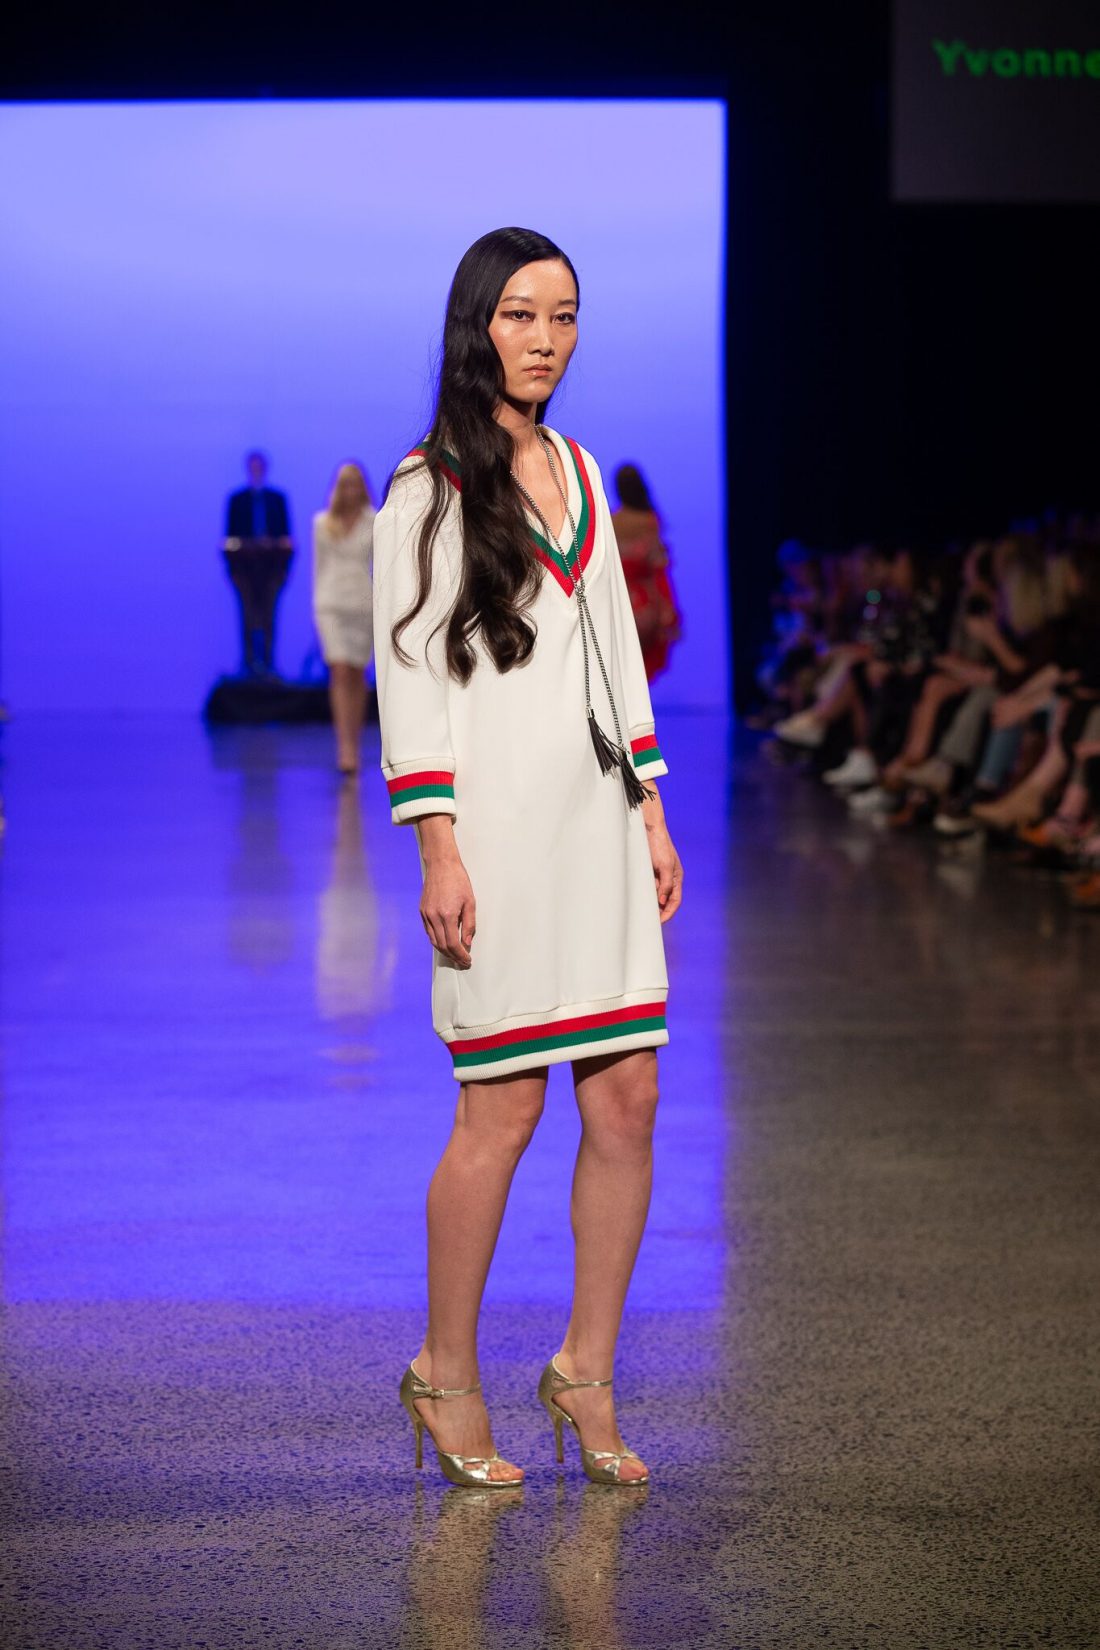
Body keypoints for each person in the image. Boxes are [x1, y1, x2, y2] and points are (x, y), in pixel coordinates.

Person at [373, 227, 683, 1490]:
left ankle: (584, 1370)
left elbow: (611, 644)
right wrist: (437, 849)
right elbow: (413, 681)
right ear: (475, 327)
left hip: (599, 828)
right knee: (499, 1108)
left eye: (560, 315)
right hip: (494, 841)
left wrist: (652, 810)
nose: (543, 338)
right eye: (518, 315)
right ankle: (445, 1373)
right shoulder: (425, 485)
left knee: (627, 1099)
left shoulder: (583, 471)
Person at [312, 462, 375, 774]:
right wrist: (317, 607)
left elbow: (381, 566)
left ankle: (356, 741)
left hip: (363, 605)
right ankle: (344, 747)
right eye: (345, 483)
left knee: (357, 674)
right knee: (339, 671)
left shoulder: (374, 521)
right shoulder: (322, 523)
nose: (350, 489)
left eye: (355, 483)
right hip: (332, 604)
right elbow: (318, 568)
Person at [224, 451, 294, 677]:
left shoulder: (277, 500)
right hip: (244, 570)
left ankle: (268, 664)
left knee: (268, 616)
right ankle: (248, 663)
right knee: (247, 615)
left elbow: (286, 538)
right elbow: (229, 539)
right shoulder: (237, 500)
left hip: (272, 569)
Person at [610, 464, 682, 681]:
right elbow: (658, 568)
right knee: (644, 666)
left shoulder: (612, 521)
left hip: (620, 601)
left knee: (624, 665)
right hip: (647, 602)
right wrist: (670, 614)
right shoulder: (650, 521)